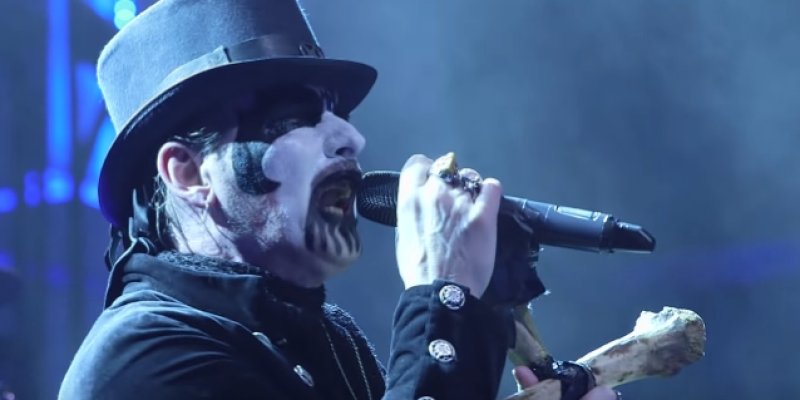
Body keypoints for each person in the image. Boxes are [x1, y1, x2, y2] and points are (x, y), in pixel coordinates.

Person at [59, 0, 619, 399]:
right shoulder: (147, 358)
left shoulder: (329, 337)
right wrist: (443, 291)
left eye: (338, 113)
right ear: (187, 172)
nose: (351, 137)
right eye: (297, 118)